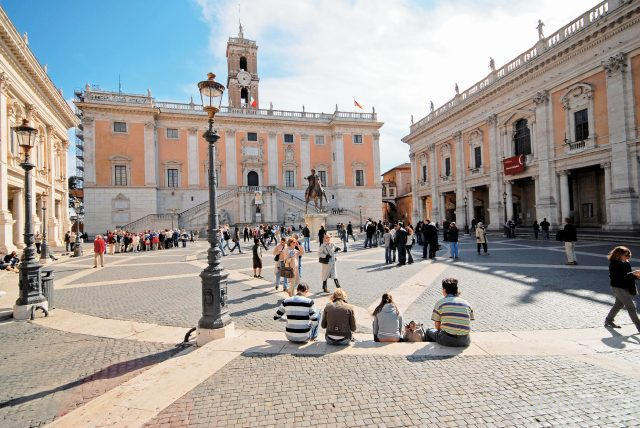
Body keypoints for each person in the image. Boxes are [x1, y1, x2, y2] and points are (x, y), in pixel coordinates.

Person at [425, 278, 474, 347]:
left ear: (444, 290)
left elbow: (437, 326)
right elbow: (467, 321)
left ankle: (432, 350)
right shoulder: (467, 303)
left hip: (446, 340)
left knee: (428, 331)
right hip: (465, 341)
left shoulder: (440, 303)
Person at [605, 246, 640, 333]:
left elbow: (627, 276)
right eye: (626, 255)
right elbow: (619, 277)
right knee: (631, 307)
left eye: (629, 255)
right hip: (618, 287)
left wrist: (636, 276)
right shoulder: (614, 264)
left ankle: (609, 320)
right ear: (619, 255)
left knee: (619, 305)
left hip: (625, 287)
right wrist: (633, 274)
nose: (628, 256)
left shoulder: (626, 263)